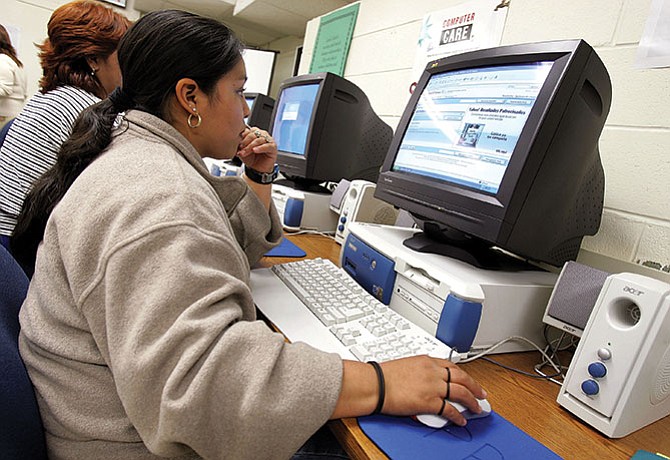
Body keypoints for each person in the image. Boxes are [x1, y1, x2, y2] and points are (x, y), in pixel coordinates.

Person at [16, 10, 486, 459]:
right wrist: (382, 382)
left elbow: (211, 253)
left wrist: (259, 178)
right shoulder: (158, 193)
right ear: (190, 97)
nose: (247, 110)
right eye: (239, 92)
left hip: (115, 422)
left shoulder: (140, 157)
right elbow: (204, 388)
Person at [0, 0, 131, 252]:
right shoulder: (87, 109)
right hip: (17, 242)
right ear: (93, 59)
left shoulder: (50, 94)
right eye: (121, 55)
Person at [0, 24, 27, 129]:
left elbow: (4, 89)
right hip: (13, 117)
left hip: (4, 117)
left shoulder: (2, 60)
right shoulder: (14, 61)